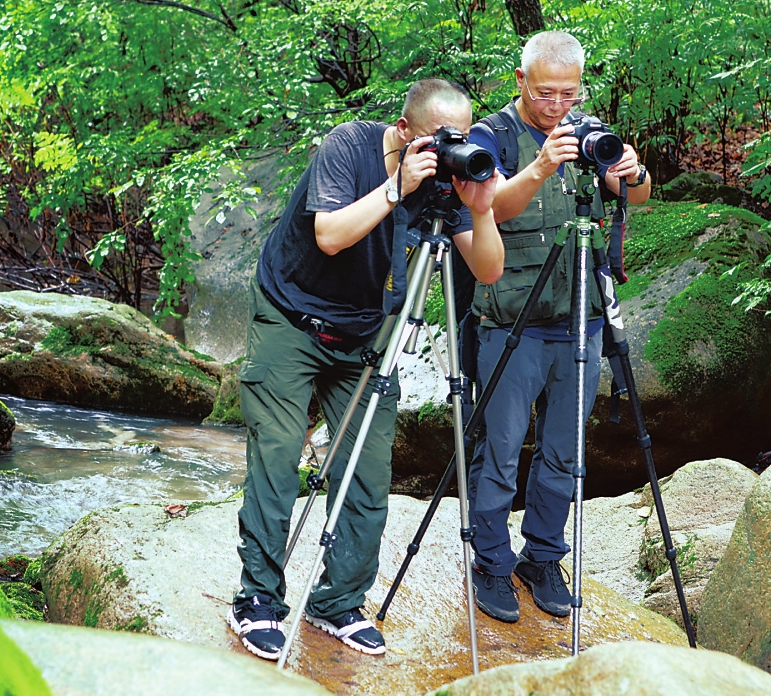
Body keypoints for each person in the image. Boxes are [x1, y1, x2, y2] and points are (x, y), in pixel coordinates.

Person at [227, 79, 504, 660]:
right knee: (278, 457)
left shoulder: (445, 183)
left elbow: (488, 270)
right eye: (438, 139)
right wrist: (395, 188)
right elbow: (328, 235)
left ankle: (337, 603)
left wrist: (481, 212)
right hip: (290, 318)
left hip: (365, 333)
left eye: (460, 138)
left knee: (368, 472)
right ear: (404, 131)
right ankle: (257, 601)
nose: (449, 150)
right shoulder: (348, 147)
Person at [462, 31, 651, 623]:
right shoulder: (490, 138)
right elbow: (488, 207)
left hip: (581, 322)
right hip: (511, 323)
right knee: (499, 450)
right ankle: (490, 562)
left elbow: (638, 197)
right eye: (547, 93)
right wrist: (543, 165)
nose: (559, 106)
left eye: (570, 94)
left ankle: (541, 557)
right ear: (521, 81)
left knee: (565, 453)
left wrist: (633, 169)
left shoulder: (586, 129)